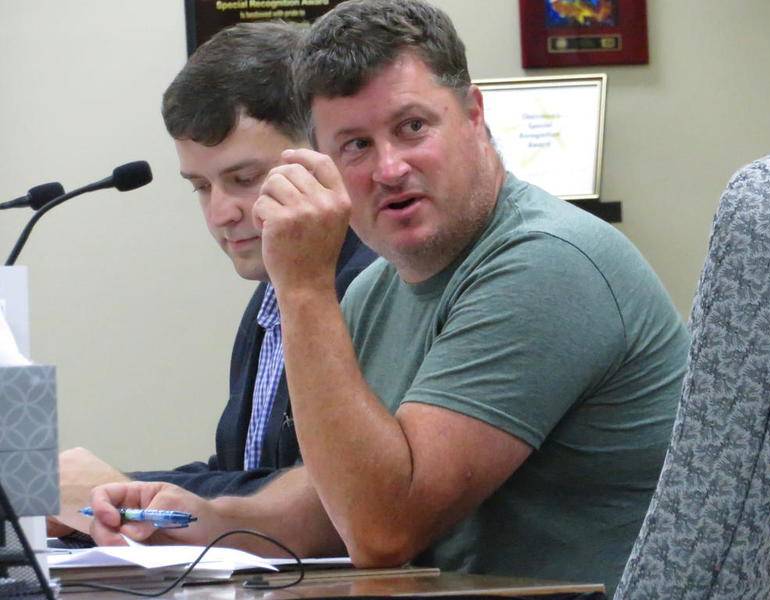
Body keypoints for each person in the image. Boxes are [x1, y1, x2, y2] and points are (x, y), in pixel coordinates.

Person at [86, 0, 689, 593]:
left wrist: (301, 286)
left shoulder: (549, 262)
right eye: (355, 145)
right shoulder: (376, 287)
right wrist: (204, 522)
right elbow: (338, 504)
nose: (390, 168)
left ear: (475, 114)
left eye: (412, 128)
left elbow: (382, 529)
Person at [47, 21, 375, 537]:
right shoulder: (269, 295)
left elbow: (334, 494)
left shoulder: (372, 284)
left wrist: (117, 492)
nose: (221, 211)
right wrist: (111, 496)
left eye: (245, 179)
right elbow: (240, 473)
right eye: (200, 186)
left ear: (325, 154)